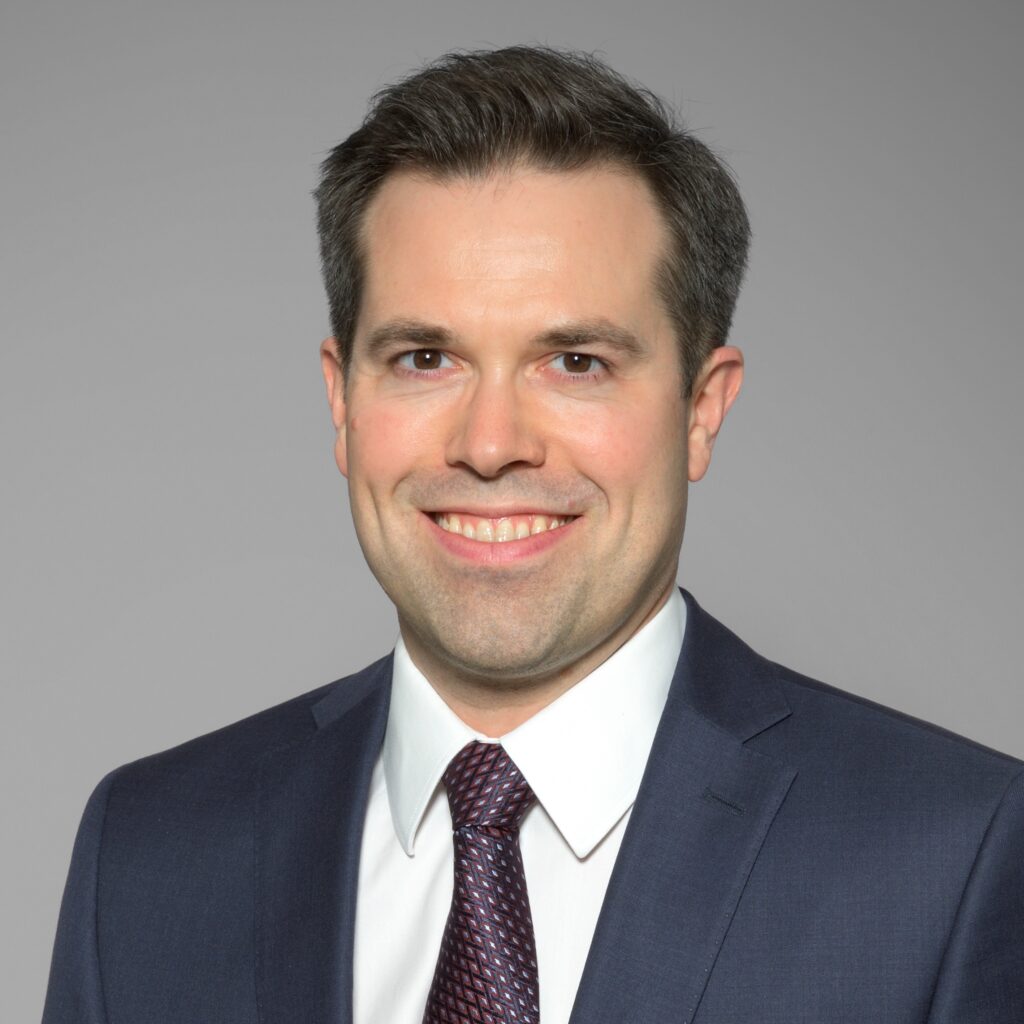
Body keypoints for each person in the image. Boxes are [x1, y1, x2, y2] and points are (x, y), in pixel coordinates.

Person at [43, 45, 1023, 1024]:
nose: (489, 444)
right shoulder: (148, 854)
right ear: (342, 401)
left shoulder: (951, 859)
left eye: (576, 362)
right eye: (425, 358)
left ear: (701, 409)